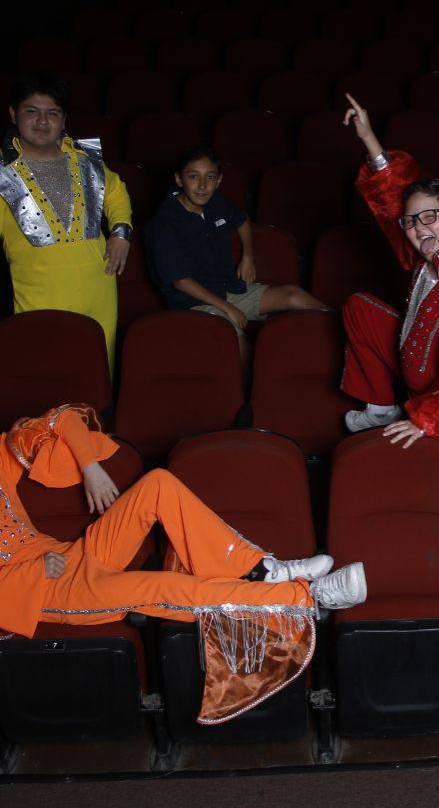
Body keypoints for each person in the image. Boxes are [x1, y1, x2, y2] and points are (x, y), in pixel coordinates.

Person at [0, 403, 368, 724]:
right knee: (159, 587)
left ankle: (261, 569)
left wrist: (90, 466)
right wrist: (33, 572)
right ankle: (308, 597)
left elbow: (60, 420)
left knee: (158, 484)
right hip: (44, 590)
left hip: (72, 555)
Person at [339, 94, 439, 451]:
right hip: (410, 363)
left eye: (430, 217)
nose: (417, 227)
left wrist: (428, 419)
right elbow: (394, 200)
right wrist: (368, 138)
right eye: (412, 221)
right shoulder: (425, 255)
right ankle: (381, 407)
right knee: (359, 307)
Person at [148, 146, 328, 363]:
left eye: (210, 177)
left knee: (292, 295)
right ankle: (254, 393)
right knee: (237, 341)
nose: (202, 185)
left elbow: (242, 221)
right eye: (193, 176)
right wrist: (228, 309)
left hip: (226, 288)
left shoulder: (216, 203)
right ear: (179, 179)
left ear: (219, 180)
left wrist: (248, 257)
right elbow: (181, 282)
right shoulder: (165, 222)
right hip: (193, 302)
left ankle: (351, 332)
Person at [0, 73, 132, 370]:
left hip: (99, 292)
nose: (42, 121)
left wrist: (121, 233)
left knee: (96, 377)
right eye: (31, 112)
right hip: (39, 299)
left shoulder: (84, 158)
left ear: (63, 120)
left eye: (52, 113)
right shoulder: (3, 172)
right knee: (46, 380)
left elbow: (116, 192)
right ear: (13, 115)